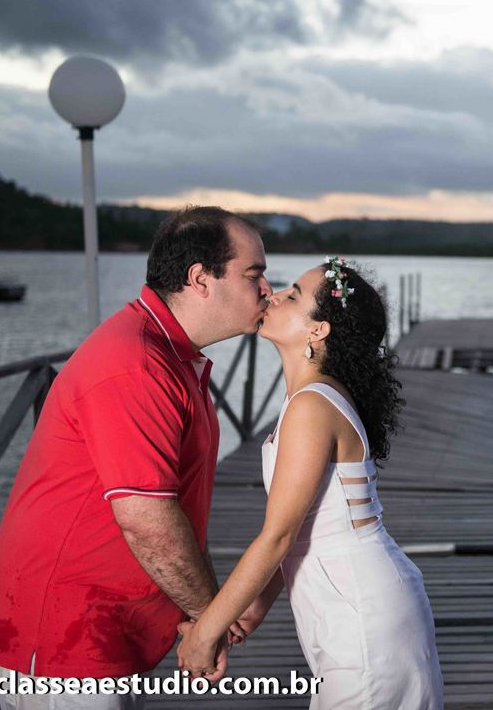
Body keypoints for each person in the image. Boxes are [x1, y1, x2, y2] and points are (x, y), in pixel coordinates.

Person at [0, 206, 272, 708]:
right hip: (62, 630)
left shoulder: (168, 353)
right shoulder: (136, 365)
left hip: (97, 626)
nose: (266, 289)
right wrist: (209, 619)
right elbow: (148, 522)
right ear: (200, 279)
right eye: (253, 274)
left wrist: (210, 612)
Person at [177, 257, 444, 710]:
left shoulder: (311, 407)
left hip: (360, 612)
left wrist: (206, 632)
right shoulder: (312, 399)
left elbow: (279, 535)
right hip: (351, 603)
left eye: (294, 295)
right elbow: (307, 526)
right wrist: (254, 606)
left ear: (318, 330)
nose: (273, 294)